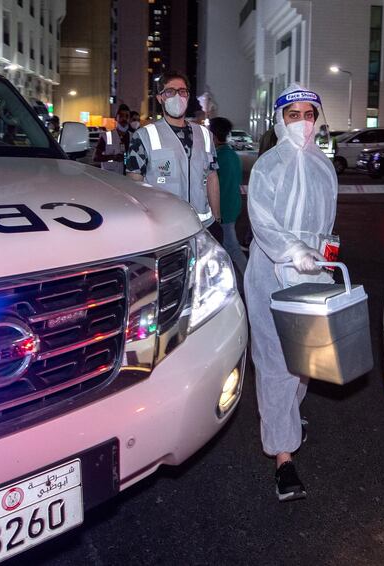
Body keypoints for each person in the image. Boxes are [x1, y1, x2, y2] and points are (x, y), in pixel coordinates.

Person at [244, 84, 337, 502]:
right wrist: (292, 249)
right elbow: (261, 223)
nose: (303, 122)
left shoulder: (324, 166)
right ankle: (283, 458)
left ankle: (288, 417)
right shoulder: (267, 165)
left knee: (303, 361)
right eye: (293, 115)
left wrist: (326, 256)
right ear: (280, 120)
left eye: (309, 114)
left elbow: (327, 224)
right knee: (276, 362)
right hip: (270, 275)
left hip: (311, 276)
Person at [126, 71, 221, 233]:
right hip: (165, 228)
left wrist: (217, 218)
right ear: (160, 98)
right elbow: (134, 185)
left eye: (182, 91)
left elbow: (212, 177)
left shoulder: (204, 135)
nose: (177, 97)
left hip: (203, 227)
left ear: (188, 96)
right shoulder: (143, 136)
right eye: (170, 92)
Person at [208, 116, 248, 275]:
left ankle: (247, 280)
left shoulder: (217, 157)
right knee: (227, 247)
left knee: (231, 247)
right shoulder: (232, 155)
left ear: (214, 135)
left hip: (222, 209)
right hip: (233, 206)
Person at [94, 104, 131, 175]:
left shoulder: (133, 137)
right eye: (121, 115)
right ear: (116, 118)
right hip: (110, 177)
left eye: (127, 116)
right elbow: (95, 157)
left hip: (128, 178)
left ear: (129, 119)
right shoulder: (106, 136)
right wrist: (113, 157)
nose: (124, 119)